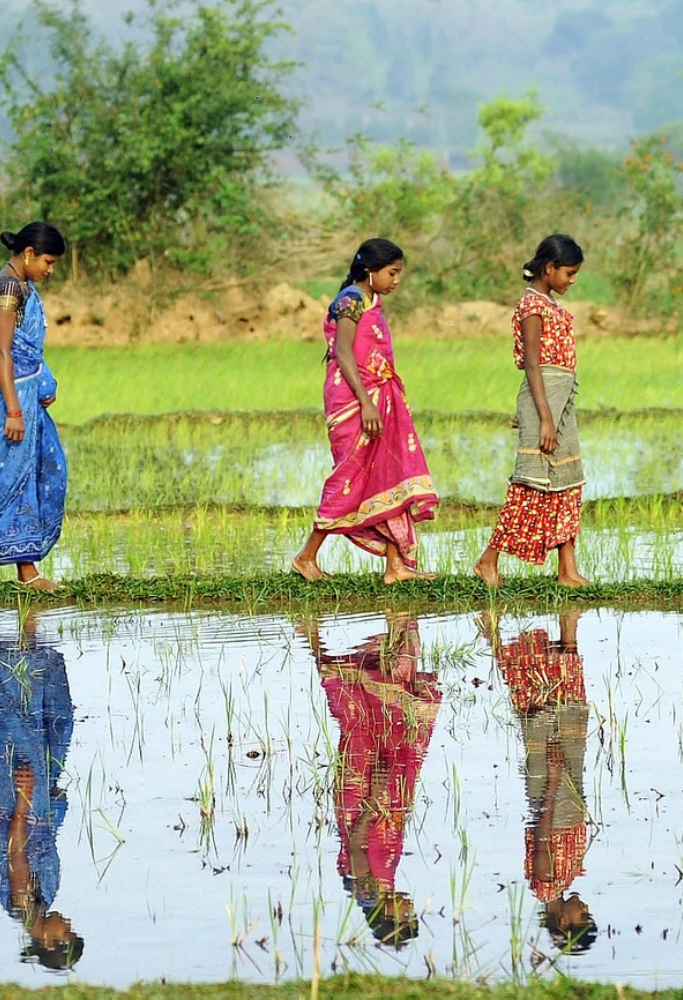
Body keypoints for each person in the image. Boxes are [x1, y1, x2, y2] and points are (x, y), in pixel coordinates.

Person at [292, 239, 439, 585]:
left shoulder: (372, 301)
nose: (397, 280)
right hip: (354, 400)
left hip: (379, 395)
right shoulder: (350, 300)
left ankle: (395, 566)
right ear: (370, 271)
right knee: (351, 477)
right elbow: (344, 353)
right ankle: (306, 556)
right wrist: (367, 402)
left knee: (390, 471)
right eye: (392, 272)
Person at [305, 613, 440, 947]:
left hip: (367, 797)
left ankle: (314, 639)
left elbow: (356, 843)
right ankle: (388, 644)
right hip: (378, 800)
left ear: (388, 915)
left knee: (364, 730)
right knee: (379, 732)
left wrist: (375, 795)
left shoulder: (364, 885)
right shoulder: (381, 884)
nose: (410, 908)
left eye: (405, 916)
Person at [0, 618, 85, 971]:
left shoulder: (23, 906)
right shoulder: (41, 903)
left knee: (20, 723)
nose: (68, 925)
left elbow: (16, 853)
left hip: (18, 804)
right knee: (56, 723)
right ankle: (29, 649)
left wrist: (24, 796)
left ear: (47, 939)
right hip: (37, 805)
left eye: (67, 934)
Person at [0, 222, 71, 591]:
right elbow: (3, 351)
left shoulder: (23, 286)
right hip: (7, 396)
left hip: (24, 392)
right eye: (48, 262)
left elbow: (27, 348)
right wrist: (14, 411)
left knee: (40, 473)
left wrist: (42, 382)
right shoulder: (7, 288)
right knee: (13, 480)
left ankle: (27, 570)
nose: (50, 270)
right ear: (28, 254)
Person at [476, 236, 591, 589]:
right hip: (544, 399)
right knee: (531, 483)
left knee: (568, 481)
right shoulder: (532, 306)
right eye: (569, 273)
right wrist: (543, 417)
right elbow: (532, 363)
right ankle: (488, 560)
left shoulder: (550, 304)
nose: (572, 280)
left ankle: (567, 570)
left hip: (562, 396)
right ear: (549, 268)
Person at [481, 609, 598, 954]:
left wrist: (553, 779)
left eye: (583, 917)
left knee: (547, 719)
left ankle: (500, 634)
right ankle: (555, 632)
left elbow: (543, 832)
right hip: (563, 797)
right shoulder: (557, 884)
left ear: (564, 920)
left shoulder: (547, 885)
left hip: (556, 799)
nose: (586, 909)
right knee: (563, 711)